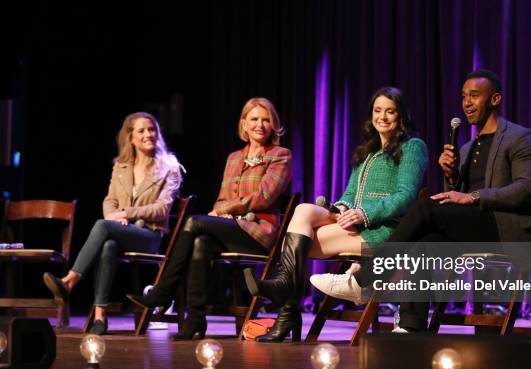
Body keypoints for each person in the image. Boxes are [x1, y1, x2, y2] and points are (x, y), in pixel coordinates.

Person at [313, 69, 531, 333]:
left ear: (495, 99)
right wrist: (452, 176)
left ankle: (367, 277)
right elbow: (458, 197)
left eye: (474, 96)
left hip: (507, 230)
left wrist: (470, 196)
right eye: (463, 96)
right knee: (421, 241)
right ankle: (411, 326)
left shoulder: (521, 138)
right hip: (476, 227)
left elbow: (525, 190)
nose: (466, 102)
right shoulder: (468, 148)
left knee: (425, 208)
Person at [245, 87, 428, 342]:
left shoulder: (413, 147)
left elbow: (406, 195)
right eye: (377, 111)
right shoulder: (368, 150)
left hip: (386, 230)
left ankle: (287, 309)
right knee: (303, 211)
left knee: (296, 246)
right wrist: (342, 207)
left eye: (390, 111)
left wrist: (364, 214)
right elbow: (350, 193)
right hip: (356, 223)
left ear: (401, 115)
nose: (382, 117)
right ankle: (287, 295)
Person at [127, 97, 292, 340]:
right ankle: (195, 317)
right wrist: (222, 211)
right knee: (199, 242)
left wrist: (228, 209)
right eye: (254, 119)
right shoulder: (234, 158)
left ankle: (163, 291)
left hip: (258, 232)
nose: (260, 125)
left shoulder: (281, 155)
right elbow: (220, 200)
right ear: (244, 124)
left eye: (265, 119)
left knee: (195, 222)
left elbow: (264, 197)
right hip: (231, 228)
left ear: (273, 124)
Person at [43, 112, 183, 335]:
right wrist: (114, 216)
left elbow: (162, 209)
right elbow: (110, 200)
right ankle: (100, 316)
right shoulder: (121, 167)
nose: (148, 134)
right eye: (142, 130)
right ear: (130, 138)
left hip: (149, 235)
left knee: (102, 226)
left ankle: (70, 281)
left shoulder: (169, 167)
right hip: (123, 231)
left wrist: (125, 213)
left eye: (152, 129)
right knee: (108, 245)